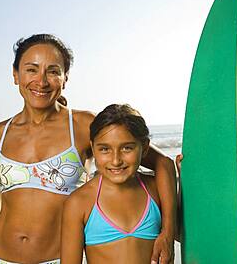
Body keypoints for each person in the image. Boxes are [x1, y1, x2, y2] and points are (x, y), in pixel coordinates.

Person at [0, 34, 176, 264]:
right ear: (15, 75)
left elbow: (162, 163)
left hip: (56, 259)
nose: (41, 81)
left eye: (52, 71)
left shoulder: (83, 126)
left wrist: (167, 232)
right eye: (31, 70)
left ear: (65, 78)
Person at [61, 104, 163, 264]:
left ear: (144, 148)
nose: (116, 161)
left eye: (127, 148)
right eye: (104, 149)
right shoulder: (79, 203)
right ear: (93, 149)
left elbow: (184, 235)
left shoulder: (156, 190)